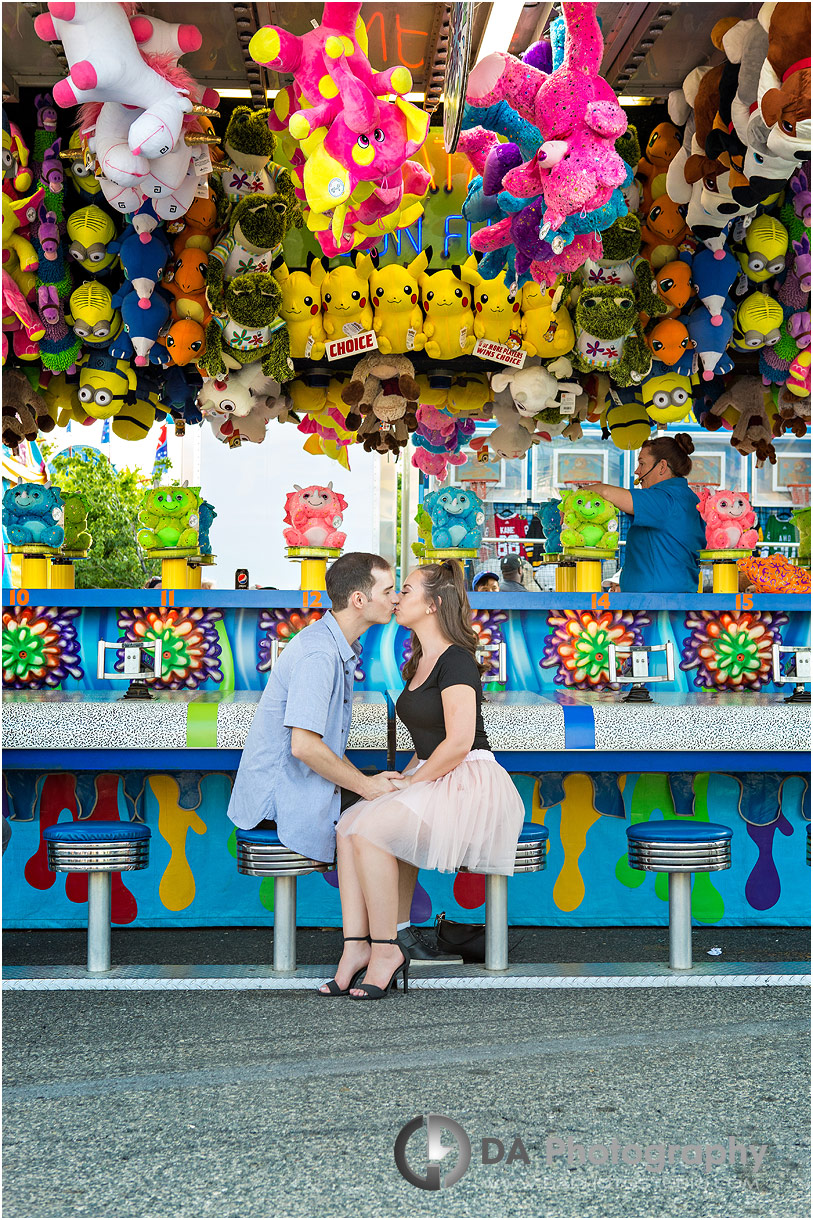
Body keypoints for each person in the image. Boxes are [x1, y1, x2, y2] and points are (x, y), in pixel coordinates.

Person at [320, 560, 525, 1001]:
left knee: (371, 831)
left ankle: (386, 949)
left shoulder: (457, 660)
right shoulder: (419, 660)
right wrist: (407, 773)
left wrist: (409, 784)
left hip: (469, 780)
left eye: (406, 590)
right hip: (436, 774)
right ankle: (356, 948)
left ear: (433, 605)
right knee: (348, 826)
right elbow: (429, 743)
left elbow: (458, 742)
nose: (396, 598)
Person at [227, 553, 402, 865]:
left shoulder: (336, 645)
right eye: (388, 591)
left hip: (300, 789)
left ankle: (373, 916)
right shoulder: (319, 654)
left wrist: (369, 784)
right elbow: (304, 747)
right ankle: (384, 917)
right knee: (393, 820)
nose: (395, 598)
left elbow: (324, 746)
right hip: (279, 807)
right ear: (359, 599)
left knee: (389, 802)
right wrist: (366, 786)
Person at [577, 433, 707, 594]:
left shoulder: (665, 499)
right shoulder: (686, 496)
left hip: (657, 605)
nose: (637, 471)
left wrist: (575, 499)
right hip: (665, 599)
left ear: (662, 466)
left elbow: (606, 492)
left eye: (642, 464)